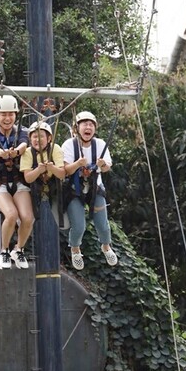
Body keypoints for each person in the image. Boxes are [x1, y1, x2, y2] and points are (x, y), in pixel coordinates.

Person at [0, 94, 34, 270]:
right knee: (11, 214)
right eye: (3, 114)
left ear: (16, 115)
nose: (7, 118)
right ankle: (4, 251)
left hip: (17, 181)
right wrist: (2, 153)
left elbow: (24, 144)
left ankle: (18, 249)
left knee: (28, 218)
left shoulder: (22, 131)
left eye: (11, 114)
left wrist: (16, 152)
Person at [62, 110, 118, 270]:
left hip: (94, 188)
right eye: (85, 124)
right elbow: (66, 170)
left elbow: (107, 167)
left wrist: (102, 165)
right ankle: (75, 249)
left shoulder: (100, 144)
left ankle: (106, 246)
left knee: (103, 224)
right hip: (75, 189)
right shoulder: (69, 145)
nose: (88, 128)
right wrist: (78, 164)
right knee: (79, 225)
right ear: (76, 128)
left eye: (91, 125)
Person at [20, 120, 66, 222]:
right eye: (34, 137)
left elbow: (62, 174)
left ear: (49, 138)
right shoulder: (27, 152)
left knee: (63, 222)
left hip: (53, 188)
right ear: (30, 139)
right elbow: (28, 178)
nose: (37, 140)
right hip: (33, 189)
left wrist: (52, 168)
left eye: (41, 136)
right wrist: (38, 170)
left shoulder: (55, 148)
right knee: (28, 219)